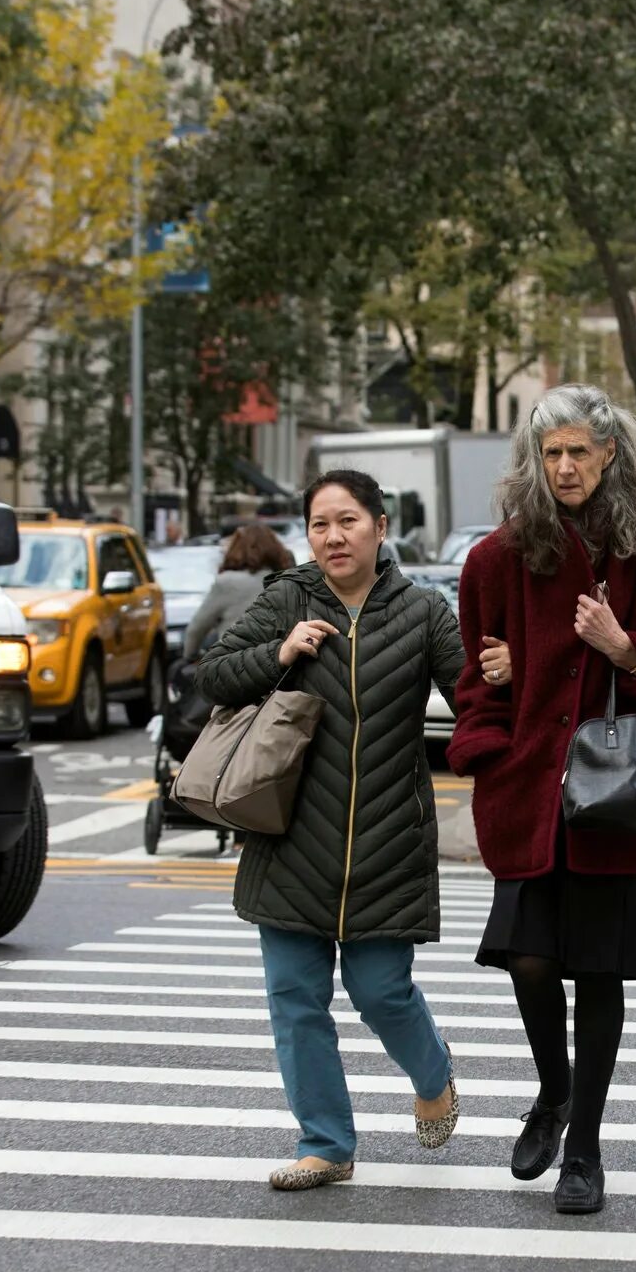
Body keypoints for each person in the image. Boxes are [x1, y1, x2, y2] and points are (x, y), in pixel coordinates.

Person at [448, 383, 636, 1216]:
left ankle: (586, 1147)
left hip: (617, 796)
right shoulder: (497, 559)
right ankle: (552, 1093)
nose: (564, 467)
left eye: (578, 452)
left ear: (609, 455)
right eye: (550, 453)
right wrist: (488, 739)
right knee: (527, 959)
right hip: (529, 787)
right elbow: (473, 678)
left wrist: (627, 649)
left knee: (597, 973)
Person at [199, 469, 466, 1191]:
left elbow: (468, 695)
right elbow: (213, 675)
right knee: (296, 998)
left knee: (382, 990)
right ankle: (325, 1141)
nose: (334, 536)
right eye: (320, 524)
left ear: (381, 527)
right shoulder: (286, 597)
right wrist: (278, 653)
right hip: (288, 838)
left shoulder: (422, 612)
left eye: (348, 521)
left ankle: (435, 1070)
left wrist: (496, 674)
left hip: (388, 841)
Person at [184, 523, 293, 658]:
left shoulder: (226, 582)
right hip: (277, 662)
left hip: (233, 663)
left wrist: (190, 656)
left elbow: (197, 629)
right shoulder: (285, 581)